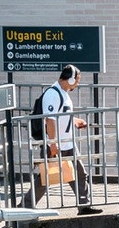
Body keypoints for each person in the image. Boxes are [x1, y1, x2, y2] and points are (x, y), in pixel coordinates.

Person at [21, 64, 102, 216]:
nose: (77, 84)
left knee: (79, 173)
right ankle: (24, 206)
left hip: (67, 142)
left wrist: (76, 121)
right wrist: (53, 143)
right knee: (46, 179)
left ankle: (84, 205)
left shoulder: (63, 92)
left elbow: (62, 116)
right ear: (70, 79)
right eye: (77, 80)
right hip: (57, 144)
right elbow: (50, 120)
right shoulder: (53, 94)